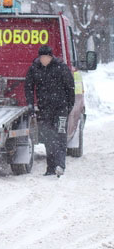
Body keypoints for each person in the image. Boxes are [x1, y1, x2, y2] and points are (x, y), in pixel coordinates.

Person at [25, 44, 75, 177]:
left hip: (61, 109)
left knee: (60, 136)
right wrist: (30, 104)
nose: (44, 60)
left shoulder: (61, 68)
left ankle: (60, 166)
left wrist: (69, 106)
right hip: (44, 109)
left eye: (46, 57)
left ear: (51, 57)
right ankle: (50, 168)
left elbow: (70, 88)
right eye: (42, 57)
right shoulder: (35, 69)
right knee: (48, 138)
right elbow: (28, 87)